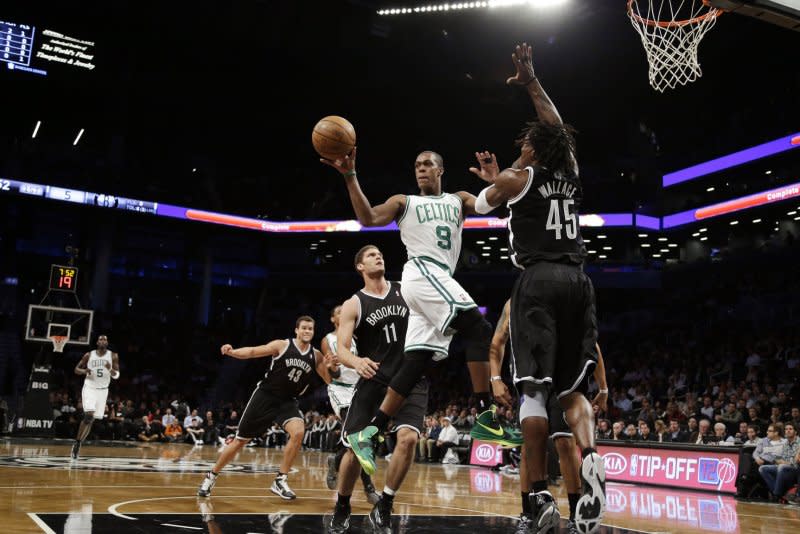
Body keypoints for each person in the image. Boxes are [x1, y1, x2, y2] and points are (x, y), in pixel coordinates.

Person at [322, 124, 521, 463]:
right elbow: (368, 218)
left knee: (416, 361)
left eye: (427, 164)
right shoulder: (405, 201)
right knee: (479, 327)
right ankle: (486, 418)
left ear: (440, 169)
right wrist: (350, 175)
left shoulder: (458, 199)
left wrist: (496, 178)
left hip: (435, 281)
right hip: (421, 272)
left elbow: (492, 203)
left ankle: (371, 431)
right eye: (417, 166)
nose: (421, 170)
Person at [468, 42, 604, 533]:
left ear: (529, 147)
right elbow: (554, 122)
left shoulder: (517, 176)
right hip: (579, 280)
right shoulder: (568, 168)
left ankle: (538, 497)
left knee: (533, 393)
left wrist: (491, 182)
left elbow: (477, 205)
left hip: (539, 281)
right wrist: (531, 81)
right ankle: (591, 458)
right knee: (573, 392)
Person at [328, 245, 426, 534]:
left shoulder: (405, 289)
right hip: (375, 380)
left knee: (408, 439)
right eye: (371, 255)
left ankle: (385, 504)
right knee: (355, 451)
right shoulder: (354, 303)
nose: (378, 256)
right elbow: (343, 349)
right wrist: (357, 362)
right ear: (360, 266)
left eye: (381, 253)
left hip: (410, 377)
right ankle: (342, 505)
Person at [490, 298, 608, 534]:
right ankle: (534, 512)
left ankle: (568, 514)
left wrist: (495, 378)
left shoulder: (545, 297)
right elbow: (498, 343)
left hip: (546, 379)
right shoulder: (517, 302)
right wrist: (603, 388)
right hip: (540, 379)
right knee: (539, 446)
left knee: (553, 445)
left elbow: (591, 344)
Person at [196, 316, 331, 500]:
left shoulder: (315, 356)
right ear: (296, 330)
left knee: (299, 432)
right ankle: (211, 476)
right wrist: (233, 352)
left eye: (311, 329)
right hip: (265, 396)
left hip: (287, 402)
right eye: (304, 328)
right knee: (239, 442)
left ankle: (280, 479)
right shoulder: (282, 345)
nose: (307, 331)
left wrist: (333, 368)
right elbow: (252, 351)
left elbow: (329, 380)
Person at [321, 305, 379, 504]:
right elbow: (334, 373)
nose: (342, 314)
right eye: (338, 312)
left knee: (360, 440)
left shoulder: (355, 339)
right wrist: (331, 368)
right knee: (358, 439)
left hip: (358, 389)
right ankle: (369, 488)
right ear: (332, 319)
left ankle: (335, 460)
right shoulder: (328, 340)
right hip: (339, 389)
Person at [71, 335, 120, 459]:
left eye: (105, 339)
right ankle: (76, 442)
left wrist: (110, 370)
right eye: (101, 339)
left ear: (107, 342)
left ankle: (80, 442)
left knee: (91, 420)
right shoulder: (89, 355)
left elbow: (117, 375)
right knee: (88, 415)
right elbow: (76, 369)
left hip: (103, 391)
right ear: (97, 342)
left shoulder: (113, 356)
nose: (103, 341)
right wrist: (84, 371)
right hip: (90, 388)